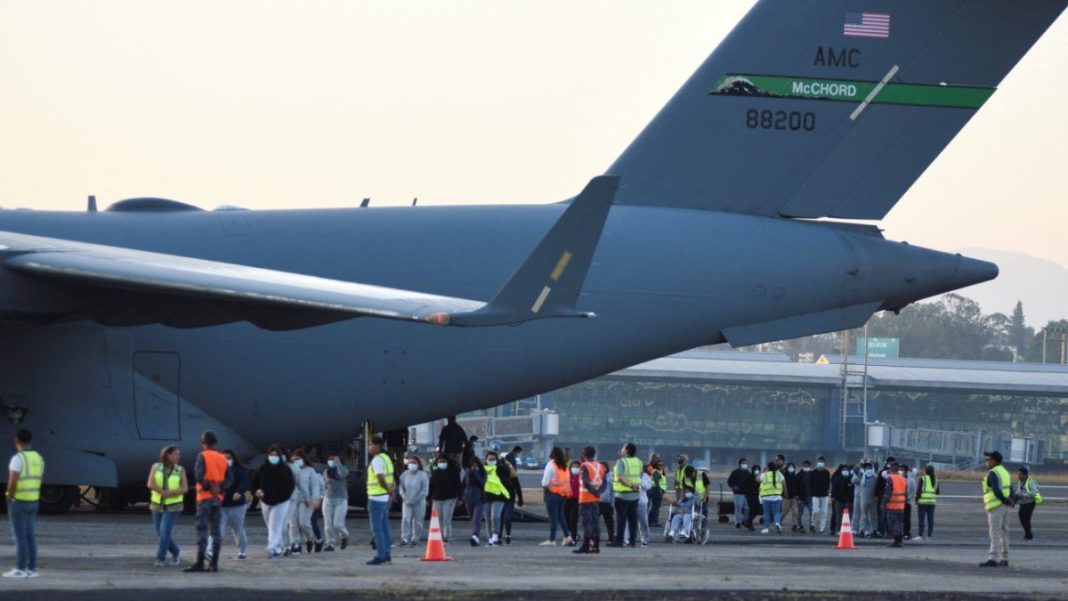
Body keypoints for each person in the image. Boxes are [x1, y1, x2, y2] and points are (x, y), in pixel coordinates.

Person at [184, 430, 231, 573]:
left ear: (203, 442)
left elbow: (198, 475)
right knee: (216, 531)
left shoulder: (202, 456)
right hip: (218, 499)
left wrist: (208, 487)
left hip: (204, 498)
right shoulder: (223, 458)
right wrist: (219, 489)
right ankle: (214, 564)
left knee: (202, 529)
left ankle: (200, 562)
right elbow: (229, 478)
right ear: (215, 443)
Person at [4, 429, 44, 579]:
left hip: (19, 502)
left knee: (19, 537)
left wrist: (9, 496)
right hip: (33, 501)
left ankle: (20, 569)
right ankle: (32, 569)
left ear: (16, 441)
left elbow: (12, 482)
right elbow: (39, 479)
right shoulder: (38, 458)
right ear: (31, 441)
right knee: (30, 536)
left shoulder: (17, 459)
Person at [146, 445, 188, 567]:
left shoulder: (180, 470)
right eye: (176, 454)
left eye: (178, 454)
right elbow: (150, 483)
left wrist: (171, 493)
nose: (178, 456)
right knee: (160, 532)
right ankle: (176, 551)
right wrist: (161, 492)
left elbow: (185, 488)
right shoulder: (156, 467)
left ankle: (160, 559)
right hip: (157, 505)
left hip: (173, 506)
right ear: (168, 455)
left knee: (165, 532)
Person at [254, 444, 295, 558]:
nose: (273, 457)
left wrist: (280, 499)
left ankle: (271, 546)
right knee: (270, 525)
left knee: (275, 524)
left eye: (276, 455)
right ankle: (277, 548)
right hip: (265, 500)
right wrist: (257, 491)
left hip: (281, 501)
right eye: (271, 455)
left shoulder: (285, 470)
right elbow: (255, 483)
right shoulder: (263, 469)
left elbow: (290, 487)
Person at [980, 451, 1014, 567]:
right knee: (1005, 532)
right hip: (1005, 507)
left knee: (995, 532)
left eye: (988, 459)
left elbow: (996, 490)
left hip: (996, 506)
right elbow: (1010, 489)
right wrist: (1010, 501)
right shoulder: (1005, 472)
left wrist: (1005, 500)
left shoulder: (993, 473)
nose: (986, 462)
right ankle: (1005, 558)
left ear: (994, 461)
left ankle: (993, 558)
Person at [214, 449, 250, 561]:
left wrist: (239, 492)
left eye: (228, 458)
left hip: (237, 505)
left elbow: (244, 483)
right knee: (218, 529)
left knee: (238, 529)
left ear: (233, 459)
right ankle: (212, 551)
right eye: (224, 458)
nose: (226, 460)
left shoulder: (239, 470)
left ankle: (242, 551)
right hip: (221, 505)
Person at [366, 435, 395, 565]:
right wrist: (391, 491)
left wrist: (388, 490)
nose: (369, 447)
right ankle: (387, 553)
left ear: (378, 446)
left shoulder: (377, 460)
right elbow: (392, 478)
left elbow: (380, 477)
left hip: (376, 497)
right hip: (384, 498)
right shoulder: (387, 458)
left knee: (377, 529)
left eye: (370, 444)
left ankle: (381, 555)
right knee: (385, 528)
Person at [289, 449, 323, 554]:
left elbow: (315, 487)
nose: (295, 461)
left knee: (304, 523)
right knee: (293, 524)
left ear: (303, 459)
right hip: (292, 499)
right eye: (293, 459)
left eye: (298, 459)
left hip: (306, 500)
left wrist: (315, 500)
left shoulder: (310, 471)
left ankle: (311, 539)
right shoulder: (290, 470)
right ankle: (296, 544)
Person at [574, 446, 606, 553]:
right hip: (596, 499)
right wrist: (598, 492)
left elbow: (585, 482)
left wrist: (593, 491)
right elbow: (604, 483)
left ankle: (586, 545)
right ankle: (596, 546)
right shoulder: (601, 466)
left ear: (584, 454)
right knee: (595, 522)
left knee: (586, 522)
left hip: (586, 498)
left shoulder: (585, 466)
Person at [609, 442, 641, 548]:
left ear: (626, 450)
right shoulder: (639, 462)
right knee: (633, 519)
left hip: (622, 495)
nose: (621, 449)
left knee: (621, 519)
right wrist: (634, 487)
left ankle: (619, 540)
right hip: (635, 496)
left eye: (623, 447)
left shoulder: (621, 462)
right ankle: (632, 541)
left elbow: (620, 478)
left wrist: (630, 486)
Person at [539, 446, 572, 546]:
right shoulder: (564, 465)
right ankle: (567, 536)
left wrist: (545, 491)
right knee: (560, 516)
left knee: (553, 518)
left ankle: (552, 539)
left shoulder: (551, 464)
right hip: (563, 494)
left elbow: (544, 482)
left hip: (552, 493)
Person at [429, 453, 462, 544]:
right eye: (439, 461)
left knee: (446, 519)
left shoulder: (454, 473)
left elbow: (458, 486)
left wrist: (460, 498)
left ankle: (446, 536)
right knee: (437, 519)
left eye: (443, 461)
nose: (441, 463)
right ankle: (438, 536)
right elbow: (431, 486)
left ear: (447, 462)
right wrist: (429, 498)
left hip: (450, 498)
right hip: (437, 498)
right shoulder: (435, 473)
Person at [398, 454, 429, 547]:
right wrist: (404, 497)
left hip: (419, 502)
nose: (412, 464)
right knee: (405, 519)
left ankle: (415, 539)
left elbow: (425, 490)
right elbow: (401, 487)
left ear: (418, 464)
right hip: (406, 501)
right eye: (410, 462)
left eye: (414, 463)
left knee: (418, 521)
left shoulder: (423, 475)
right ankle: (405, 538)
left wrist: (417, 499)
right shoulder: (404, 474)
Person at [482, 450, 511, 547]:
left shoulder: (501, 469)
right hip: (486, 497)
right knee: (488, 519)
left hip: (499, 497)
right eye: (490, 459)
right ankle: (490, 539)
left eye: (493, 459)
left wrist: (506, 464)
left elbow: (509, 476)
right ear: (486, 460)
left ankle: (495, 536)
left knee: (495, 516)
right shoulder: (483, 470)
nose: (491, 461)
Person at [321, 450, 349, 551]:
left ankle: (344, 536)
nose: (331, 462)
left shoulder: (343, 469)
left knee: (338, 524)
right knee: (328, 524)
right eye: (330, 460)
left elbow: (342, 474)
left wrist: (338, 462)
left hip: (341, 499)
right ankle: (330, 543)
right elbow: (324, 484)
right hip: (328, 499)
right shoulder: (325, 471)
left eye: (334, 460)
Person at [498, 445, 524, 544]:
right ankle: (499, 536)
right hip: (500, 498)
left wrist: (520, 499)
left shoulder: (512, 475)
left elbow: (517, 487)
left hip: (510, 498)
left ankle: (508, 534)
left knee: (507, 518)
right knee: (500, 518)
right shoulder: (499, 473)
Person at [668, 463, 696, 542]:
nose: (685, 491)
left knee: (686, 516)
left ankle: (684, 531)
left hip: (691, 514)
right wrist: (674, 503)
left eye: (687, 490)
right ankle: (672, 531)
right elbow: (679, 504)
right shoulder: (683, 498)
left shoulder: (693, 497)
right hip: (683, 513)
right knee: (676, 517)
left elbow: (696, 504)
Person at [464, 456, 487, 546]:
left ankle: (475, 536)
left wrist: (476, 473)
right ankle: (475, 534)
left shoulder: (482, 472)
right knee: (472, 518)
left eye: (476, 465)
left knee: (476, 519)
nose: (474, 467)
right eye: (472, 466)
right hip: (469, 499)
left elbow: (482, 483)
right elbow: (464, 484)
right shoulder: (467, 473)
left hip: (479, 499)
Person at [1014, 467, 1042, 541]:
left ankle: (1028, 535)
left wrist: (1023, 495)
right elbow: (1018, 490)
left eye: (1020, 474)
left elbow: (1034, 492)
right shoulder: (1020, 481)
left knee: (1026, 519)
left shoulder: (1030, 482)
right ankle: (1028, 534)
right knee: (1022, 518)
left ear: (1025, 475)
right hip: (1023, 503)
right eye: (1018, 474)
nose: (1018, 476)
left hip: (1029, 503)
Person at [883, 463, 907, 548]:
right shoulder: (903, 478)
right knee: (899, 523)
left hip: (892, 505)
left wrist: (883, 503)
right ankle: (899, 541)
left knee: (893, 524)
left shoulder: (891, 478)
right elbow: (905, 493)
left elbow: (888, 492)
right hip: (901, 505)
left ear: (891, 469)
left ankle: (897, 542)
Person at [851, 462, 877, 537]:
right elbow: (854, 476)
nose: (868, 469)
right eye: (866, 468)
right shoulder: (861, 475)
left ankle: (872, 530)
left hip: (872, 499)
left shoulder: (874, 476)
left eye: (869, 468)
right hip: (861, 498)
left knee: (873, 516)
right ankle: (861, 530)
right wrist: (859, 465)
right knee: (862, 515)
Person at [757, 460, 783, 534]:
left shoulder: (764, 475)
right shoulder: (779, 474)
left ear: (768, 467)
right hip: (777, 496)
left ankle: (766, 528)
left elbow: (757, 479)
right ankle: (777, 523)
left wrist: (763, 471)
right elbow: (784, 484)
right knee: (777, 512)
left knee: (766, 513)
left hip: (766, 497)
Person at [727, 458, 752, 530]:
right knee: (738, 507)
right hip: (738, 493)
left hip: (747, 493)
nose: (745, 464)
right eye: (743, 463)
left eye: (746, 463)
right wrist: (734, 486)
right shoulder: (735, 472)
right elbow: (729, 481)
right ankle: (738, 522)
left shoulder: (748, 472)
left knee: (748, 508)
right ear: (740, 464)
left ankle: (745, 520)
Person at [916, 464, 939, 540]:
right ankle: (929, 536)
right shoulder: (936, 479)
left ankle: (920, 535)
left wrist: (916, 500)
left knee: (921, 519)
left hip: (922, 502)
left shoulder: (923, 478)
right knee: (930, 520)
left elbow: (919, 490)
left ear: (925, 471)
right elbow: (937, 492)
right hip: (932, 502)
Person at [830, 465, 854, 536]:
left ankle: (848, 529)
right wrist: (833, 497)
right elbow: (834, 488)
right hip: (839, 500)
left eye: (846, 469)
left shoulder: (851, 478)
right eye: (844, 469)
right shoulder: (837, 478)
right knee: (839, 516)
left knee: (849, 516)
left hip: (849, 500)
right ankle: (838, 529)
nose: (845, 471)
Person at [810, 457, 831, 534]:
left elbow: (828, 483)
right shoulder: (814, 472)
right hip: (815, 495)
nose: (820, 463)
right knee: (815, 511)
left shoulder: (827, 472)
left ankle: (822, 528)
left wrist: (828, 492)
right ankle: (812, 525)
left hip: (824, 495)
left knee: (824, 512)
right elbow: (810, 483)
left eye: (822, 461)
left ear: (824, 463)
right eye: (819, 461)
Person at [564, 459, 581, 545]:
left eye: (577, 467)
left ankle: (574, 537)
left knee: (573, 518)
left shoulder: (581, 477)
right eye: (574, 466)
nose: (575, 468)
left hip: (577, 500)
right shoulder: (568, 476)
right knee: (566, 518)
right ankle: (572, 534)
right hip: (567, 499)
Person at [598, 460, 615, 544]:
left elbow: (613, 491)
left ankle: (611, 538)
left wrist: (612, 503)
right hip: (597, 502)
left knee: (609, 522)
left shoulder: (610, 477)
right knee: (594, 522)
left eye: (603, 467)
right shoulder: (596, 476)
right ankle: (594, 537)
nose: (601, 469)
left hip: (607, 503)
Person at [646, 458, 665, 527]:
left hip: (654, 490)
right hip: (656, 490)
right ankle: (654, 521)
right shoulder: (657, 472)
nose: (662, 466)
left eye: (662, 465)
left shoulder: (657, 471)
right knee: (656, 507)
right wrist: (659, 490)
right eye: (660, 465)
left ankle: (650, 521)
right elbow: (656, 481)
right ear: (657, 466)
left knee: (654, 507)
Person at [743, 464, 762, 531]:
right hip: (750, 495)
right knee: (752, 509)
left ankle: (748, 521)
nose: (757, 471)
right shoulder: (749, 476)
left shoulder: (759, 477)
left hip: (756, 495)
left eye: (758, 469)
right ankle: (749, 523)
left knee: (757, 509)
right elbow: (744, 485)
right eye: (755, 469)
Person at [781, 462, 799, 532]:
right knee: (784, 511)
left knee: (795, 512)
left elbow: (798, 486)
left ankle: (794, 526)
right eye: (789, 467)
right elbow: (782, 486)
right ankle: (778, 522)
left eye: (792, 467)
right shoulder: (784, 476)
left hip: (794, 497)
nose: (791, 468)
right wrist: (783, 494)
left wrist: (797, 494)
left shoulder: (795, 476)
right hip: (786, 497)